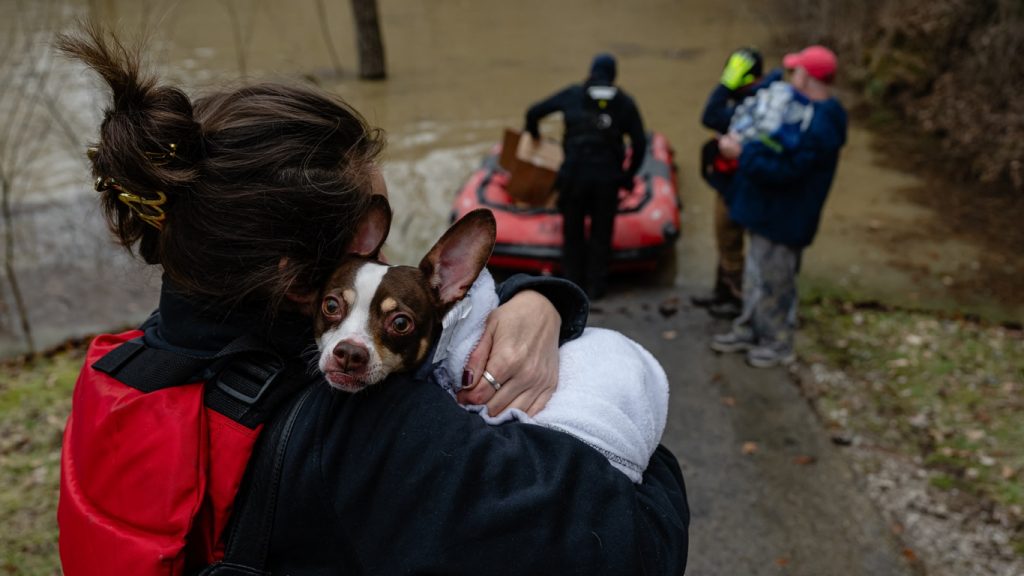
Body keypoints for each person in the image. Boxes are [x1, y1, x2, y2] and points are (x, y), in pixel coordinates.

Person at [56, 26, 689, 575]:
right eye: (372, 248)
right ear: (302, 282)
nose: (380, 267)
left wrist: (536, 300)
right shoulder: (375, 432)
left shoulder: (131, 367)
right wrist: (648, 449)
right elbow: (635, 548)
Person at [710, 45, 847, 368]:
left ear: (808, 77)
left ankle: (777, 343)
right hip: (766, 211)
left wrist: (741, 155)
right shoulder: (801, 108)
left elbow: (787, 172)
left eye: (797, 70)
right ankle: (749, 329)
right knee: (757, 277)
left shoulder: (823, 124)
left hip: (787, 219)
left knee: (777, 283)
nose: (792, 74)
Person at [524, 53, 646, 300]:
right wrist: (627, 175)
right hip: (607, 179)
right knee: (602, 234)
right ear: (613, 76)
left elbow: (533, 112)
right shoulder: (625, 102)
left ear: (591, 73)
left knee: (573, 233)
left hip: (574, 177)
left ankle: (572, 286)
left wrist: (534, 135)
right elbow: (640, 143)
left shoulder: (572, 94)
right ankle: (597, 287)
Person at [692, 47, 782, 319]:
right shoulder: (755, 97)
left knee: (731, 242)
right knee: (724, 240)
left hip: (744, 187)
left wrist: (724, 87)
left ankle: (736, 300)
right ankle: (722, 292)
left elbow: (710, 116)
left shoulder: (758, 106)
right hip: (732, 184)